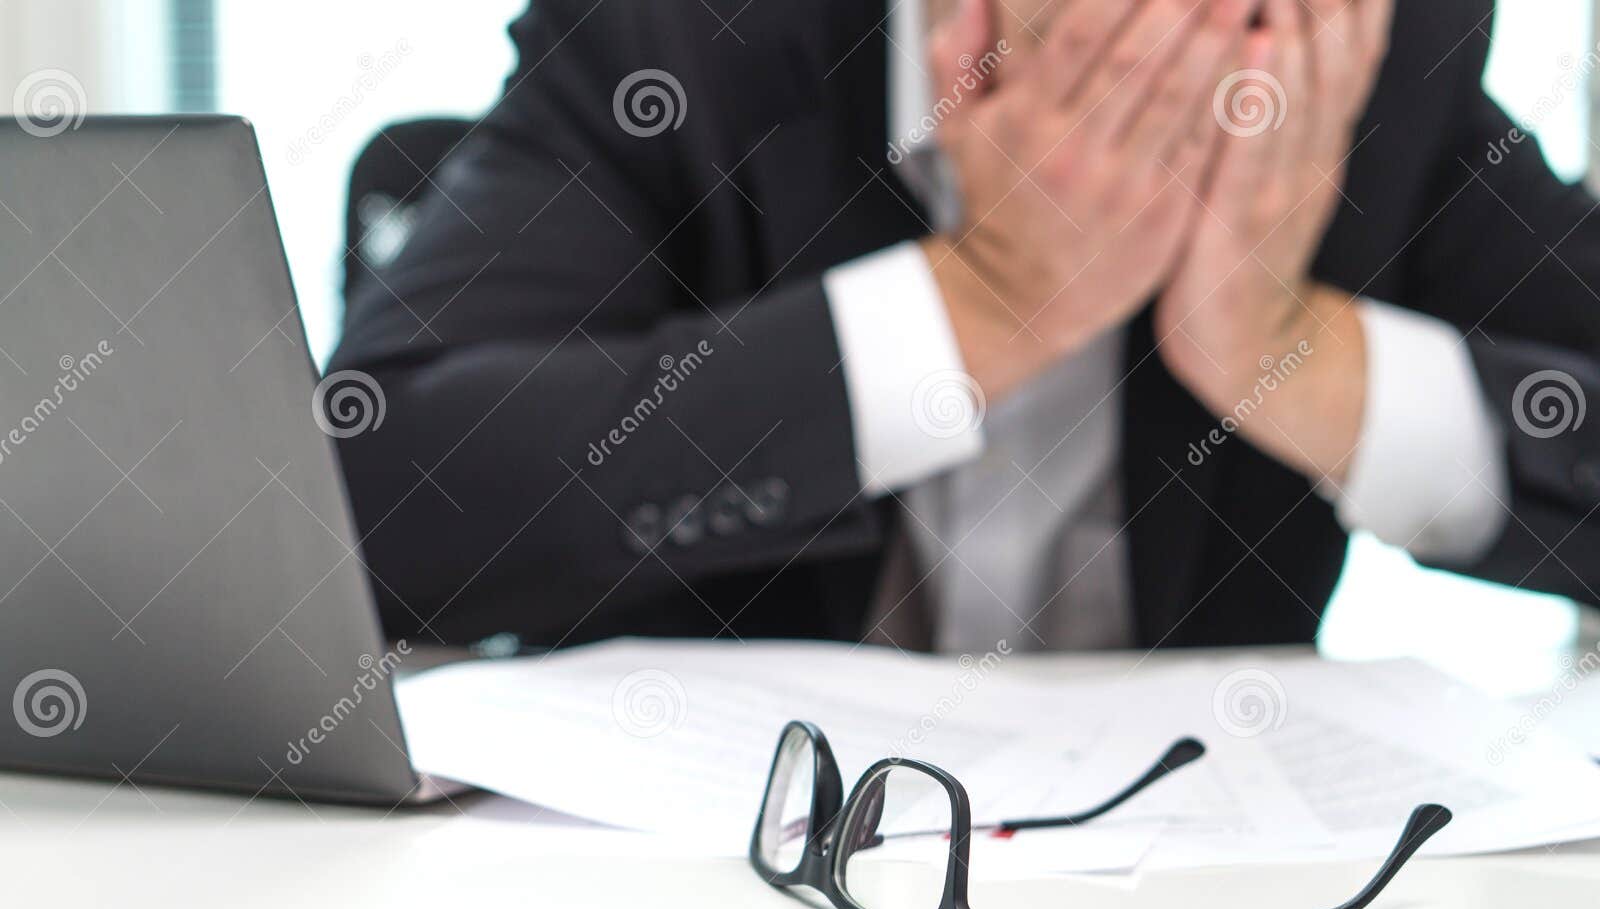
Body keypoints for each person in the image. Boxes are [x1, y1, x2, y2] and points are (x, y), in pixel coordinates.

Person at [330, 0, 1600, 654]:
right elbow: (375, 497)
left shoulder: (1353, 59)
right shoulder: (686, 44)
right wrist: (979, 300)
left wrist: (1292, 354)